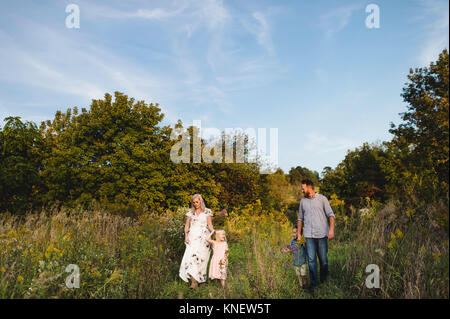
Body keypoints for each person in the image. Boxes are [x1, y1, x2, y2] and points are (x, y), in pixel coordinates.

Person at [297, 179, 335, 290]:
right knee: (311, 260)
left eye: (303, 188)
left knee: (323, 260)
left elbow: (331, 215)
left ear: (309, 187)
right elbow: (300, 218)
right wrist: (299, 234)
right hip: (309, 235)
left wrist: (331, 230)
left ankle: (324, 280)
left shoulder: (322, 199)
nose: (302, 190)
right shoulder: (302, 201)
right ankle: (313, 284)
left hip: (322, 234)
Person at [179, 194, 214, 289]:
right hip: (192, 237)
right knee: (191, 258)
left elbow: (210, 225)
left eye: (197, 202)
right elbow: (187, 226)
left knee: (202, 259)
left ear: (201, 201)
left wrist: (214, 233)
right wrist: (186, 236)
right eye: (193, 202)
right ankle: (193, 282)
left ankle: (201, 280)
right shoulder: (190, 212)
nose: (195, 204)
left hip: (204, 238)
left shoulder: (207, 211)